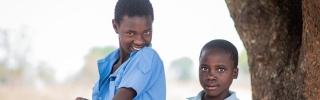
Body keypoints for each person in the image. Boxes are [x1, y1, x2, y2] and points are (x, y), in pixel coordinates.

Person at [90, 0, 166, 100]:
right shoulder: (109, 64)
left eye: (146, 32)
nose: (139, 41)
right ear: (115, 26)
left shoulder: (146, 56)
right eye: (130, 33)